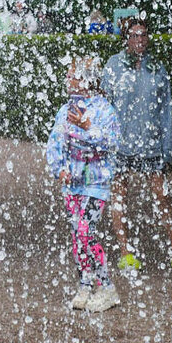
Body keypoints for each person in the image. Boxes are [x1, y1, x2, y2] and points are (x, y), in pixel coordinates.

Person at [101, 18, 172, 272]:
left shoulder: (157, 68)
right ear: (126, 39)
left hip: (150, 143)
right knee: (119, 197)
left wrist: (167, 146)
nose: (140, 40)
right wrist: (105, 141)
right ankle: (126, 252)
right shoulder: (113, 65)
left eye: (143, 35)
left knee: (163, 196)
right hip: (121, 143)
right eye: (135, 36)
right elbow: (105, 105)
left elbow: (165, 111)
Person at [46, 55, 122, 312]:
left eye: (73, 75)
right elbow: (55, 142)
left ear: (87, 80)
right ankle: (85, 283)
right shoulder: (65, 109)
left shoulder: (104, 110)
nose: (68, 79)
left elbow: (110, 144)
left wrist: (87, 125)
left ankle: (107, 287)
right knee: (77, 237)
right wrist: (59, 169)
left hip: (96, 183)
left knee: (84, 231)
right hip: (72, 184)